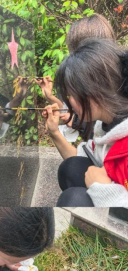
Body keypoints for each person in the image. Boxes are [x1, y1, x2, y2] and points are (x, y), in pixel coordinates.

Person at [43, 39, 128, 207]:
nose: (69, 102)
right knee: (70, 168)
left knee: (73, 199)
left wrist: (104, 189)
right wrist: (54, 133)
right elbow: (83, 157)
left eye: (70, 95)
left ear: (93, 92)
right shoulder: (107, 125)